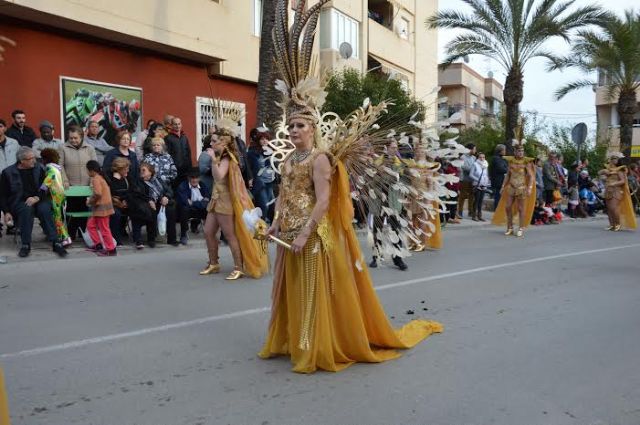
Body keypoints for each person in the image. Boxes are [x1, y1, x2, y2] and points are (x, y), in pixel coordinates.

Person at [259, 3, 441, 373]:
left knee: (311, 291)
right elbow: (283, 194)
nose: (294, 131)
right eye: (290, 126)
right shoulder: (289, 161)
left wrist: (305, 232)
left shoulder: (320, 159)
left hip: (312, 234)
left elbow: (324, 199)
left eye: (300, 126)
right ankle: (297, 341)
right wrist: (277, 224)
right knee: (292, 290)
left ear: (313, 128)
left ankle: (312, 348)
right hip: (289, 231)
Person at [200, 123, 268, 280]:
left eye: (214, 140)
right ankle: (213, 263)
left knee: (230, 235)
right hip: (215, 200)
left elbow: (218, 176)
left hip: (226, 202)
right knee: (208, 231)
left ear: (223, 142)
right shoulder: (220, 155)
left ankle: (238, 267)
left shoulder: (227, 158)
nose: (211, 143)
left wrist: (212, 160)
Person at [0, 146, 66, 257]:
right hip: (19, 202)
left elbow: (45, 187)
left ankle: (56, 242)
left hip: (39, 198)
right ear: (22, 161)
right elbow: (2, 195)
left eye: (34, 158)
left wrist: (36, 197)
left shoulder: (39, 168)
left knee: (45, 209)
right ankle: (26, 244)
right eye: (31, 159)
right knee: (26, 209)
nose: (34, 160)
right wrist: (6, 211)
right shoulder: (8, 172)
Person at [369, 140, 408, 271]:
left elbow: (402, 181)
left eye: (396, 147)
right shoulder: (377, 162)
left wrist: (390, 175)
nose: (394, 150)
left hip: (393, 203)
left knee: (396, 231)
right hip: (379, 202)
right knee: (377, 230)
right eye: (392, 147)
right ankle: (376, 257)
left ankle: (398, 259)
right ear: (386, 148)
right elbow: (371, 181)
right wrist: (379, 174)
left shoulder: (399, 163)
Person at [107, 157, 156, 248]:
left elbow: (133, 191)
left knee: (140, 210)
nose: (128, 171)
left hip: (128, 202)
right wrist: (119, 202)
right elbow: (109, 194)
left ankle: (140, 239)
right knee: (116, 214)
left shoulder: (127, 178)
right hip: (114, 203)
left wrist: (148, 200)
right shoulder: (110, 178)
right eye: (126, 169)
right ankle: (117, 239)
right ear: (119, 169)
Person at [59, 125, 97, 239]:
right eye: (71, 138)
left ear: (81, 136)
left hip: (86, 185)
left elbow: (94, 166)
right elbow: (60, 165)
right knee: (72, 210)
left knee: (84, 209)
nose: (73, 140)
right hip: (71, 185)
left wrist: (92, 180)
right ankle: (71, 234)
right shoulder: (62, 148)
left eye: (75, 138)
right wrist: (64, 180)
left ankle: (83, 234)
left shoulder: (90, 148)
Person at [492, 140, 536, 237]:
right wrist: (503, 186)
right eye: (519, 151)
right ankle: (510, 227)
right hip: (511, 187)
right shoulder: (511, 161)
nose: (521, 153)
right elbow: (508, 175)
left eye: (522, 151)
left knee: (521, 209)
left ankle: (520, 228)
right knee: (507, 207)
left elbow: (531, 176)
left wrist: (529, 188)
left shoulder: (526, 162)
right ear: (515, 152)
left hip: (521, 187)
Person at [405, 143, 442, 250]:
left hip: (424, 195)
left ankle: (421, 243)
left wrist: (428, 199)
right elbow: (408, 181)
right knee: (411, 220)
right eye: (417, 150)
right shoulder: (412, 164)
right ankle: (412, 241)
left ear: (425, 152)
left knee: (422, 221)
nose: (419, 152)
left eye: (422, 150)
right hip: (412, 195)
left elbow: (430, 184)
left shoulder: (428, 166)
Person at [140, 161, 179, 246]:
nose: (141, 172)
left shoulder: (158, 179)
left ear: (150, 172)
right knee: (151, 211)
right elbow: (140, 195)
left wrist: (166, 197)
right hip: (149, 203)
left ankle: (172, 239)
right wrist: (150, 200)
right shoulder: (140, 182)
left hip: (161, 201)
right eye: (140, 171)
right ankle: (151, 239)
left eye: (144, 170)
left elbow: (169, 190)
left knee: (171, 209)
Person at [40, 148, 71, 247]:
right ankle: (62, 236)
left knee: (57, 218)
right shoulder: (57, 168)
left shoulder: (50, 168)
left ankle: (65, 238)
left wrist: (42, 188)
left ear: (45, 158)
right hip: (60, 195)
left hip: (55, 196)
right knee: (58, 217)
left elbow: (50, 177)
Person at [598, 152, 637, 231]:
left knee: (613, 208)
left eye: (615, 158)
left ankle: (618, 224)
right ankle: (612, 224)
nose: (613, 160)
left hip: (616, 190)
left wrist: (614, 183)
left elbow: (623, 181)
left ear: (618, 160)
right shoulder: (608, 169)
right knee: (608, 208)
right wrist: (604, 174)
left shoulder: (620, 169)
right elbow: (600, 174)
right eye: (612, 158)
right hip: (608, 190)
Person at [85, 160, 117, 256]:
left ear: (91, 170)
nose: (87, 172)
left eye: (87, 170)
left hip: (101, 210)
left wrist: (90, 201)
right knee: (91, 225)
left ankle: (111, 249)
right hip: (101, 209)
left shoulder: (96, 179)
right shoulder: (100, 177)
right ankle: (98, 245)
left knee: (104, 229)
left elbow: (98, 194)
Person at [247, 128, 276, 223]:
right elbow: (249, 168)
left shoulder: (271, 152)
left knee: (272, 206)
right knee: (263, 205)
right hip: (259, 183)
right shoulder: (252, 153)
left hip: (270, 182)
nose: (264, 141)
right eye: (262, 139)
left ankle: (271, 229)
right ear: (258, 140)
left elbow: (275, 167)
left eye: (266, 139)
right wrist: (250, 179)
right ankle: (260, 229)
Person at [176, 168, 210, 245]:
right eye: (192, 178)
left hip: (200, 210)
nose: (194, 180)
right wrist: (201, 202)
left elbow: (207, 200)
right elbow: (185, 202)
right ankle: (183, 234)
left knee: (210, 209)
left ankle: (211, 233)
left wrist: (193, 203)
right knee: (184, 209)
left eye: (196, 178)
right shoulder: (182, 186)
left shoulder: (203, 185)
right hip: (188, 211)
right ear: (188, 178)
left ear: (199, 178)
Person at [0, 119, 19, 236]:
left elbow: (19, 158)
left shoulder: (14, 143)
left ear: (5, 128)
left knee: (12, 201)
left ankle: (12, 225)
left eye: (0, 126)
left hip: (12, 177)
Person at [165, 116, 192, 189]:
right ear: (172, 126)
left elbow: (188, 152)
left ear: (181, 124)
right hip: (175, 169)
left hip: (185, 169)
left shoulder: (184, 137)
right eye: (175, 124)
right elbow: (167, 155)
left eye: (179, 124)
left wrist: (190, 167)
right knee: (176, 189)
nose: (177, 126)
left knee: (185, 188)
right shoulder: (168, 138)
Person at [457, 143, 476, 218]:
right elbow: (463, 167)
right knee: (462, 196)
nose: (475, 150)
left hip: (472, 179)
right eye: (474, 149)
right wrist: (473, 169)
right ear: (470, 149)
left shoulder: (474, 158)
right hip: (464, 179)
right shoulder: (463, 157)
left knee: (472, 195)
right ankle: (460, 211)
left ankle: (470, 211)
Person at [470, 151, 490, 221]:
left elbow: (486, 174)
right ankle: (474, 215)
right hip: (477, 184)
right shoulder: (475, 164)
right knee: (476, 200)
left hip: (484, 184)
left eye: (483, 157)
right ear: (478, 158)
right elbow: (471, 174)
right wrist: (478, 179)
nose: (482, 158)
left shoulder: (486, 164)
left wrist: (486, 181)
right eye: (480, 157)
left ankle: (480, 215)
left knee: (481, 201)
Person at [489, 144, 508, 209]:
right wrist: (507, 169)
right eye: (504, 150)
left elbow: (506, 167)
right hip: (498, 181)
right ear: (500, 151)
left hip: (502, 181)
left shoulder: (503, 159)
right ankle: (496, 211)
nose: (505, 151)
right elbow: (501, 169)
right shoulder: (496, 158)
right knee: (498, 197)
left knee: (500, 197)